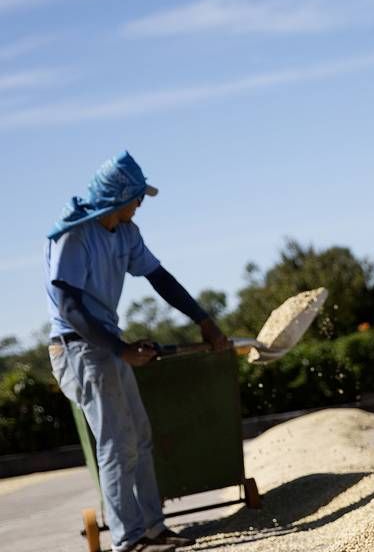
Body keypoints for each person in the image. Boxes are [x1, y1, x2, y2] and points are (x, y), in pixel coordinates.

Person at [46, 151, 231, 552]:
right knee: (115, 443)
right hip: (79, 349)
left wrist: (203, 319)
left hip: (109, 346)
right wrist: (120, 349)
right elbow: (69, 308)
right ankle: (128, 541)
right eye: (137, 196)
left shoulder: (127, 234)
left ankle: (153, 529)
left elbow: (159, 278)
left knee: (139, 438)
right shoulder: (74, 237)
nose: (141, 204)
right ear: (118, 198)